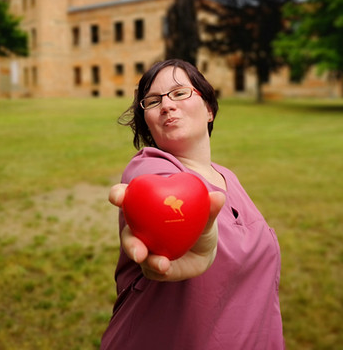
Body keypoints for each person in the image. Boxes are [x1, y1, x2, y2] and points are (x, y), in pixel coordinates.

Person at [101, 59, 284, 349]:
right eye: (152, 100)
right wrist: (190, 240)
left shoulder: (228, 178)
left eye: (179, 93)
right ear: (146, 119)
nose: (166, 105)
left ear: (209, 109)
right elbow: (161, 202)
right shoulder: (147, 171)